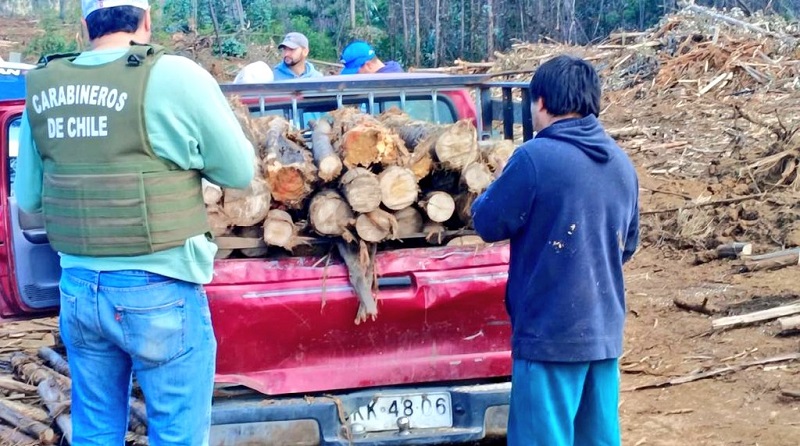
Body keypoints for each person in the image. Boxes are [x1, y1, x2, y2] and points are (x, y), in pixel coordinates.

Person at [15, 0, 255, 443]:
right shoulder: (176, 75)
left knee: (95, 432)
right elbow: (239, 172)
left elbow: (28, 197)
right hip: (159, 286)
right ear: (146, 20)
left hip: (79, 289)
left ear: (83, 25)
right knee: (177, 435)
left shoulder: (44, 83)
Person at [471, 55, 639, 446]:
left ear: (541, 102)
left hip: (548, 335)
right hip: (602, 334)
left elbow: (487, 223)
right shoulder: (621, 163)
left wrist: (496, 184)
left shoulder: (534, 158)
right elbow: (626, 246)